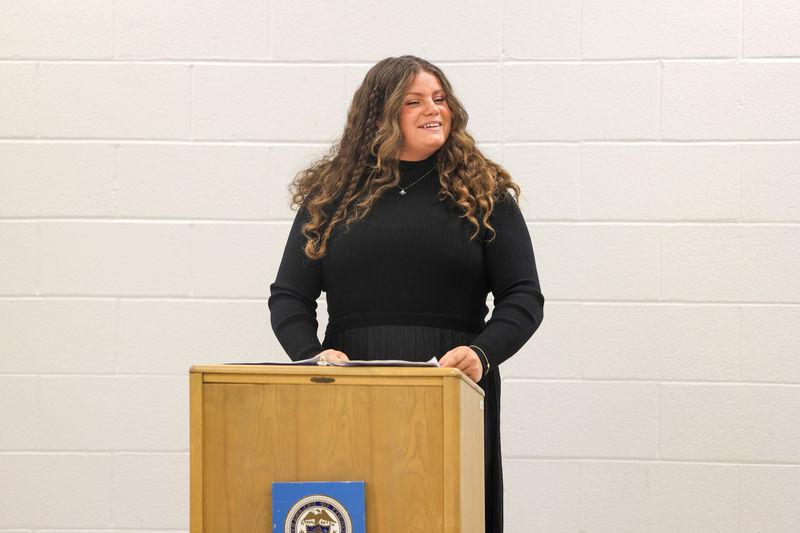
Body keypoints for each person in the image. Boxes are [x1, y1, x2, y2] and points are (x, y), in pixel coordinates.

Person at [268, 55, 544, 532]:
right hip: (351, 386)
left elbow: (524, 297)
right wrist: (312, 359)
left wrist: (482, 353)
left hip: (451, 383)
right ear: (379, 115)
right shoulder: (332, 195)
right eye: (413, 102)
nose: (433, 110)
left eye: (439, 99)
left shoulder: (484, 193)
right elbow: (289, 296)